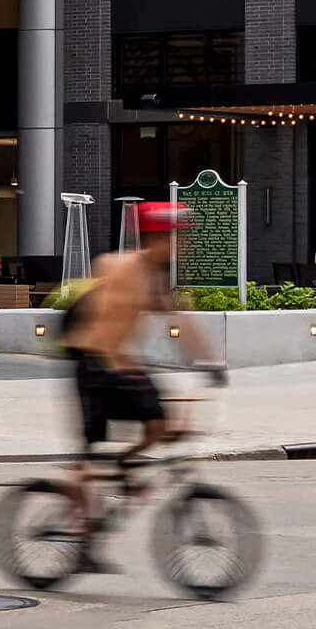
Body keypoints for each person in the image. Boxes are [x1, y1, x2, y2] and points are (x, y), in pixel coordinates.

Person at [60, 201, 222, 556]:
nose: (183, 245)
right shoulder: (119, 268)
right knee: (88, 455)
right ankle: (82, 537)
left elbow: (179, 319)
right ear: (158, 237)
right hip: (94, 365)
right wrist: (125, 369)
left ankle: (121, 464)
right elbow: (102, 323)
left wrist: (211, 364)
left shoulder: (155, 277)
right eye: (176, 238)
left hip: (122, 366)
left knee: (160, 428)